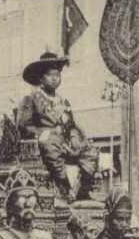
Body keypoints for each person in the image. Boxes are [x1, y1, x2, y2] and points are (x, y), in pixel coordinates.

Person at [17, 52, 98, 202]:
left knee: (90, 150)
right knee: (51, 143)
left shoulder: (64, 102)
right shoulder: (31, 99)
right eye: (49, 75)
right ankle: (65, 187)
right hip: (48, 143)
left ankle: (84, 189)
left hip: (66, 143)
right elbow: (23, 125)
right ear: (41, 78)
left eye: (57, 75)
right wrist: (44, 134)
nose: (55, 78)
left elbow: (71, 125)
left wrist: (74, 137)